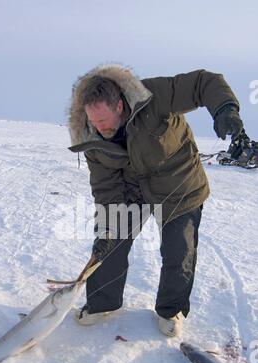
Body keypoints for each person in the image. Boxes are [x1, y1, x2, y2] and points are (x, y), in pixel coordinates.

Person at [68, 64, 243, 336]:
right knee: (110, 239)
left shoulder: (153, 95)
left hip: (178, 182)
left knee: (179, 249)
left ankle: (171, 310)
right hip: (132, 188)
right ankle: (102, 303)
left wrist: (224, 109)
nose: (99, 127)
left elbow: (203, 82)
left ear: (119, 106)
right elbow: (105, 186)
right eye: (94, 121)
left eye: (103, 121)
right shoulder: (89, 135)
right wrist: (108, 227)